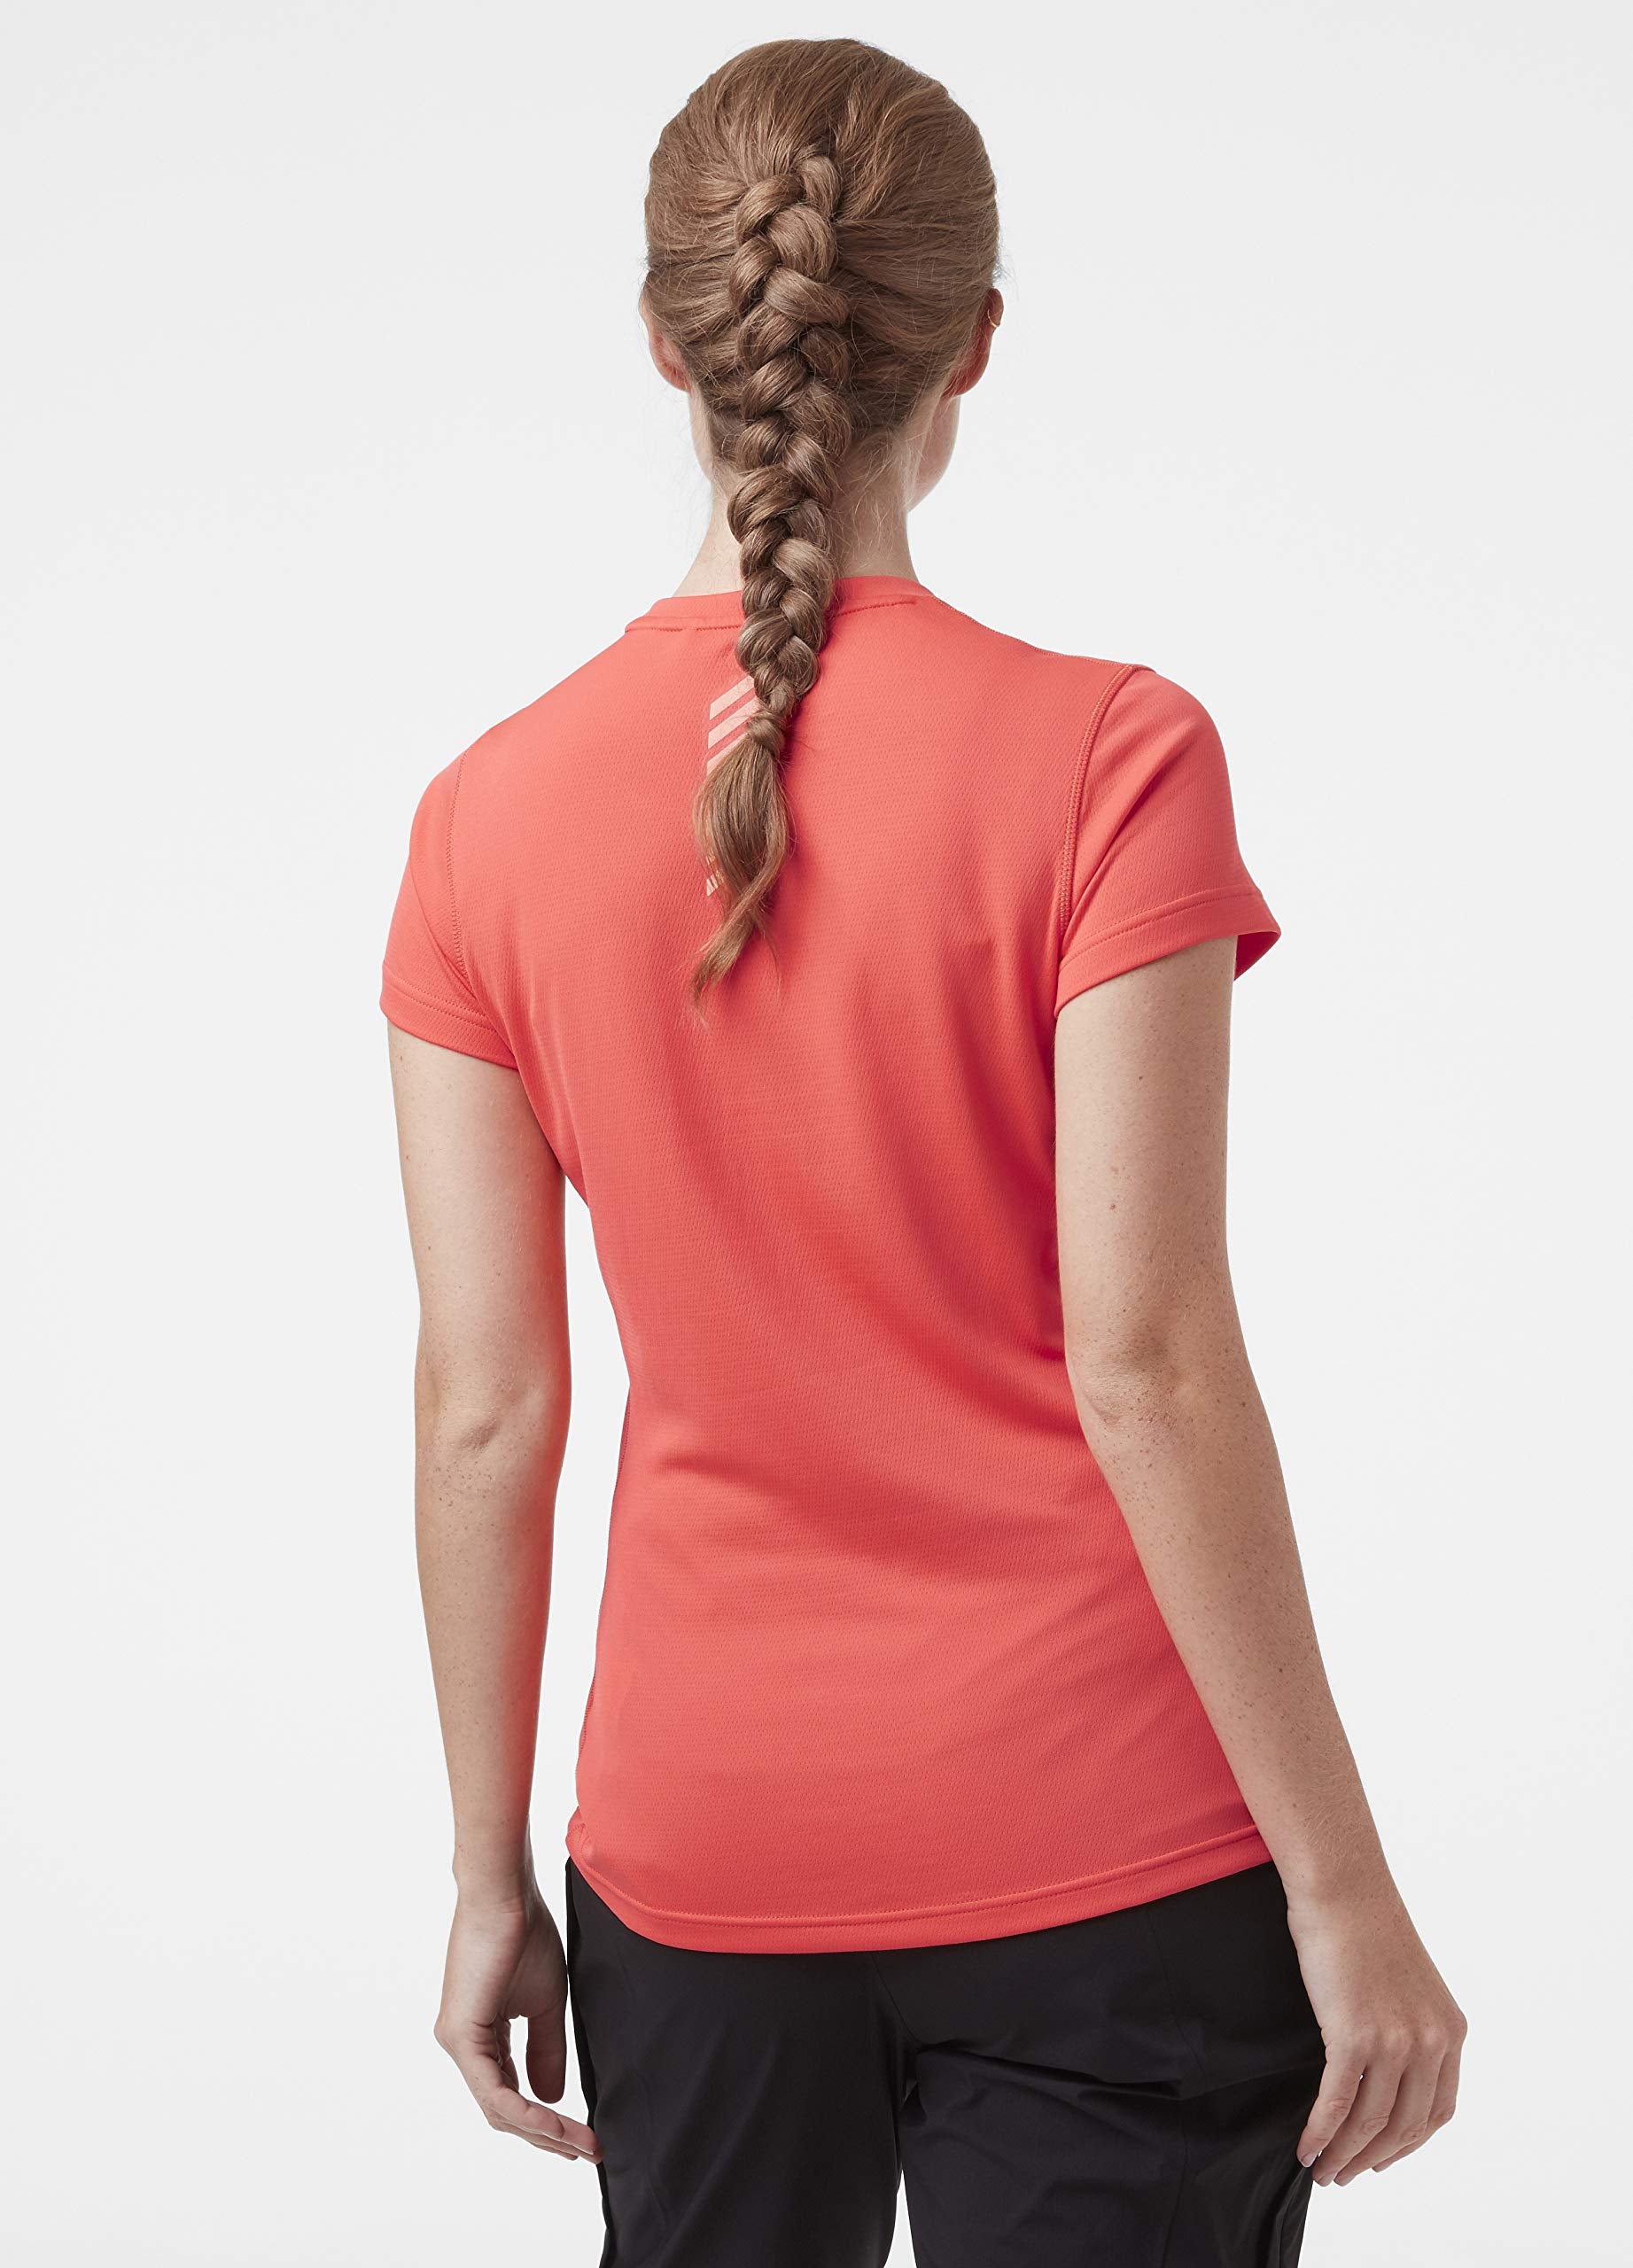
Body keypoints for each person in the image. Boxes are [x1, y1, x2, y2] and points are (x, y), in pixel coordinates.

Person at [381, 36, 1464, 2267]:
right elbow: (1147, 1359)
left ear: (664, 341)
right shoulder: (1111, 757)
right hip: (1111, 1851)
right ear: (972, 339)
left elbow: (490, 1403)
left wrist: (488, 1865)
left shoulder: (481, 817)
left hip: (698, 1857)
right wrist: (1342, 1882)